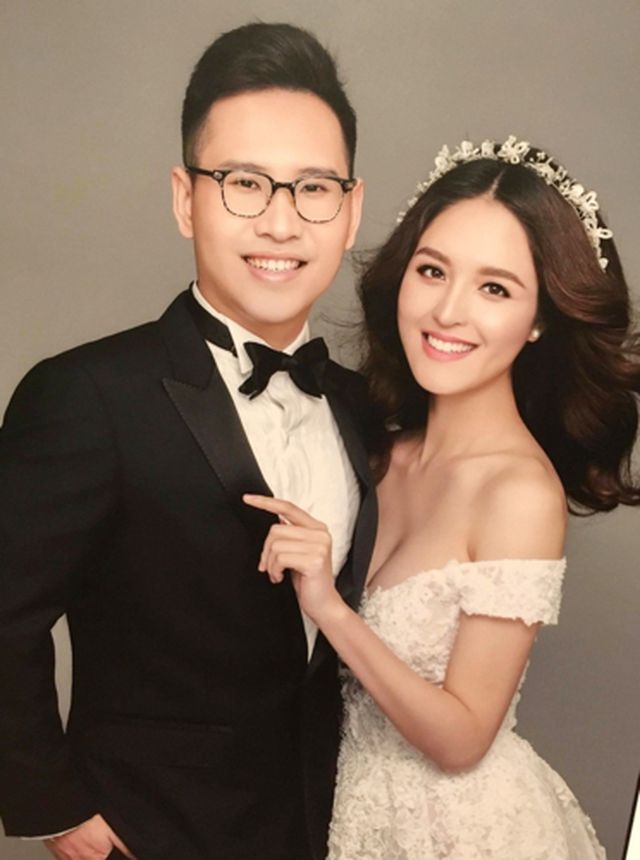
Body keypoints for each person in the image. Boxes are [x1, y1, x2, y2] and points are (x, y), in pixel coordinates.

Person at [0, 22, 377, 860]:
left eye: (314, 189)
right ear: (185, 198)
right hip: (153, 835)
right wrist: (58, 808)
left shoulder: (365, 409)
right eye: (245, 183)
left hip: (332, 833)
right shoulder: (86, 395)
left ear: (351, 210)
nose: (281, 222)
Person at [245, 137, 640, 858]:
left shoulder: (519, 493)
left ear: (541, 319)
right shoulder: (378, 449)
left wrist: (330, 607)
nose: (448, 311)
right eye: (432, 271)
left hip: (459, 834)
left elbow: (462, 739)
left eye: (496, 288)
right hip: (345, 813)